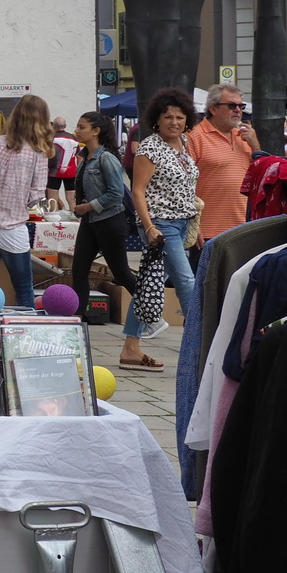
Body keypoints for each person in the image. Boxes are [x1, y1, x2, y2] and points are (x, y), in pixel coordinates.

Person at [68, 112, 157, 368]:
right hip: (90, 222)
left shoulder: (106, 158)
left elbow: (117, 193)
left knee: (121, 272)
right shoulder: (86, 157)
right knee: (79, 270)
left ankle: (150, 311)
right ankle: (77, 322)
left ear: (96, 131)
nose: (77, 130)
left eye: (82, 126)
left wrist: (88, 206)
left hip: (109, 221)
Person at [128, 87, 200, 327]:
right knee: (187, 281)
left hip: (183, 223)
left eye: (180, 117)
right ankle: (197, 339)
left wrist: (195, 225)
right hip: (161, 225)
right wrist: (149, 228)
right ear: (157, 119)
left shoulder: (185, 143)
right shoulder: (150, 148)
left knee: (150, 283)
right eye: (168, 116)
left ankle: (131, 342)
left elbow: (187, 187)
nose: (174, 122)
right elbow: (137, 191)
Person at [0, 94, 54, 308]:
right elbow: (36, 196)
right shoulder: (38, 152)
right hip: (13, 228)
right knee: (23, 288)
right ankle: (26, 325)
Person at [192, 83, 258, 245]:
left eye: (241, 106)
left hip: (243, 228)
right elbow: (183, 185)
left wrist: (256, 146)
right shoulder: (194, 137)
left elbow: (260, 175)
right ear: (213, 109)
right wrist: (193, 224)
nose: (238, 110)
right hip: (208, 231)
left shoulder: (245, 136)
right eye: (231, 105)